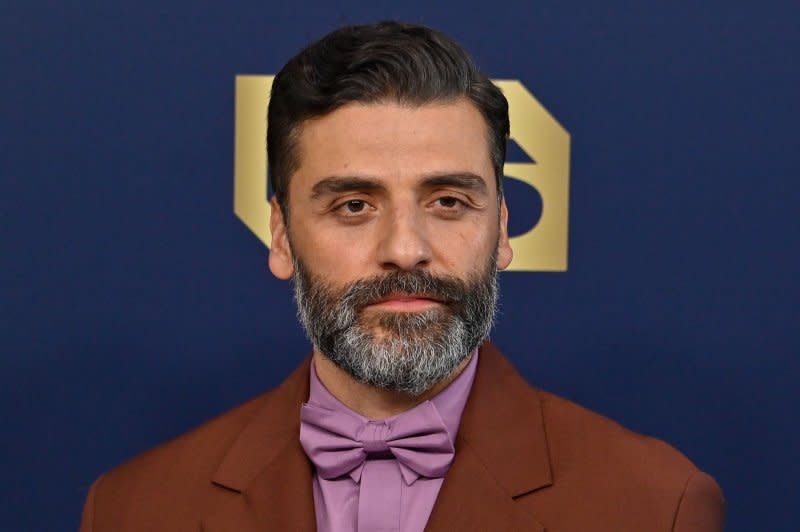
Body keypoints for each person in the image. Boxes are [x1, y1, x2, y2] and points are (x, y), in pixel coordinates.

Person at [80, 21, 724, 531]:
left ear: (501, 229)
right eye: (354, 205)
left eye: (447, 201)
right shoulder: (135, 510)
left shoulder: (654, 506)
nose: (406, 249)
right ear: (280, 235)